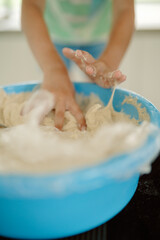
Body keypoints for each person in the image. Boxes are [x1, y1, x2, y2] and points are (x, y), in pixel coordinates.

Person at [21, 0, 135, 130]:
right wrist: (53, 68)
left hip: (98, 34)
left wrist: (108, 62)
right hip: (55, 34)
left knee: (100, 84)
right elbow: (31, 5)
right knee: (55, 88)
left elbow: (124, 9)